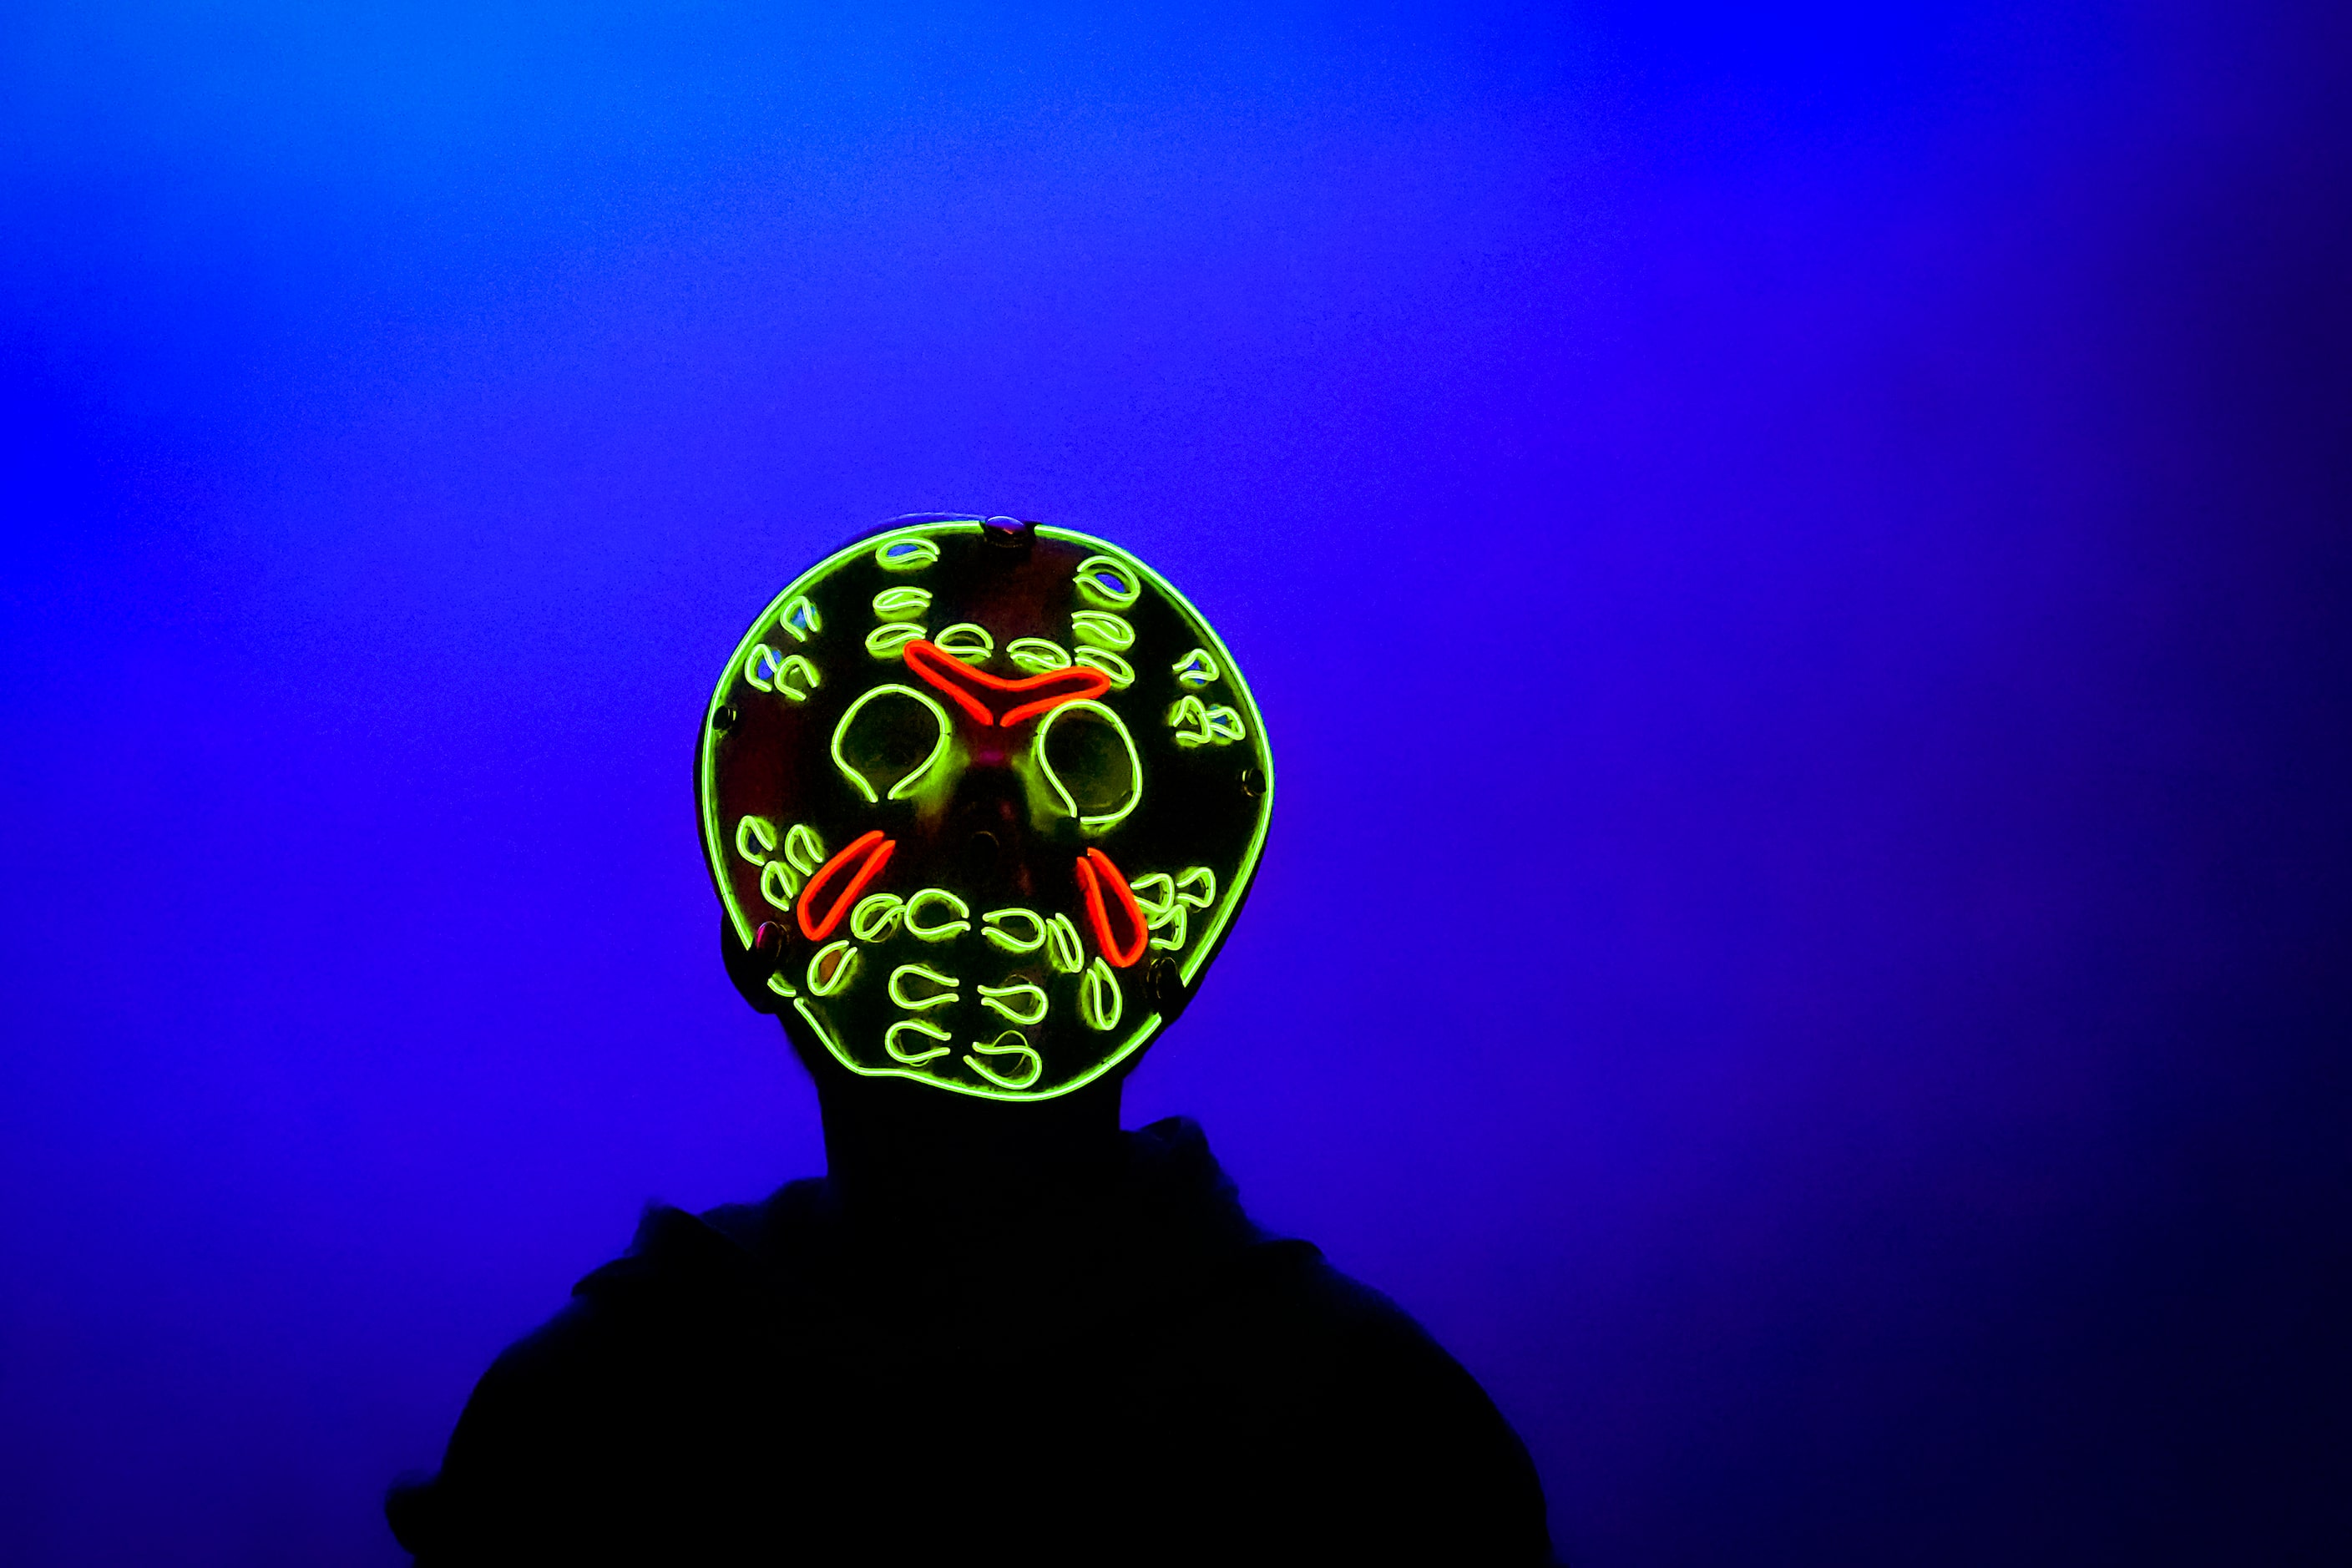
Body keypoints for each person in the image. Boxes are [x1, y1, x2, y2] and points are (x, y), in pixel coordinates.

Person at [387, 518, 1555, 1563]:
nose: (985, 848)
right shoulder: (1363, 1416)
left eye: (1074, 767)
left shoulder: (597, 1414)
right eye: (901, 755)